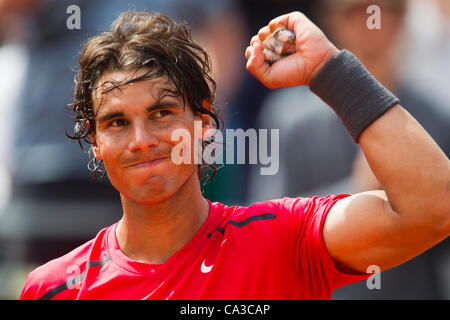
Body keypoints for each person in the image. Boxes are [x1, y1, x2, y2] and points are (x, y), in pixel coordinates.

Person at [19, 10, 449, 300]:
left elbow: (434, 206)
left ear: (203, 123)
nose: (141, 139)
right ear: (94, 141)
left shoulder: (281, 238)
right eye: (116, 123)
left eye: (162, 113)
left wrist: (329, 69)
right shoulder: (54, 288)